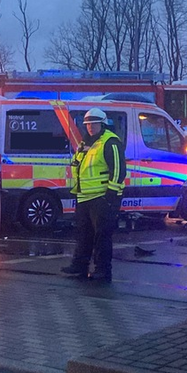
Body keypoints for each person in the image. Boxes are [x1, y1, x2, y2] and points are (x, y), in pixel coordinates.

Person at [61, 108, 126, 283]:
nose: (90, 127)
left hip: (102, 198)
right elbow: (79, 164)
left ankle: (103, 271)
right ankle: (80, 265)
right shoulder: (86, 143)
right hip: (84, 197)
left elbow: (119, 171)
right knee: (83, 234)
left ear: (102, 124)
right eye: (88, 124)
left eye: (94, 123)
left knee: (102, 236)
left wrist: (110, 196)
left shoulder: (110, 141)